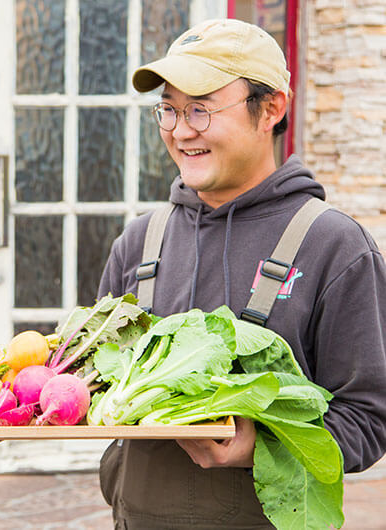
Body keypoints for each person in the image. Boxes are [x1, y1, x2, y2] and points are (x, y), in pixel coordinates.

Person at [97, 18, 386, 529]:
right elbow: (98, 382)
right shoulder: (139, 242)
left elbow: (368, 419)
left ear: (271, 108)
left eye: (201, 110)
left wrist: (263, 447)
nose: (181, 130)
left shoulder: (335, 247)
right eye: (170, 109)